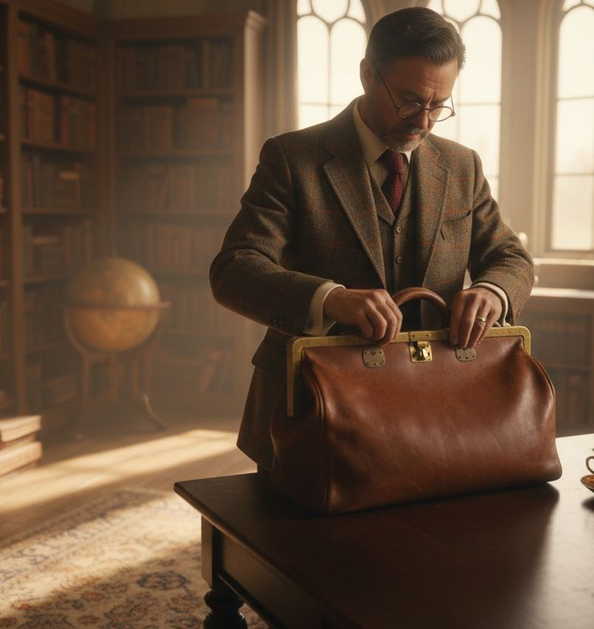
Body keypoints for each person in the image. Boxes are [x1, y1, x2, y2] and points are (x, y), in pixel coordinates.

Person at [209, 7, 534, 470]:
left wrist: (492, 291)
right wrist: (329, 299)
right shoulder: (290, 157)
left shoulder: (463, 166)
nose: (423, 121)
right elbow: (233, 269)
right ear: (367, 74)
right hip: (307, 416)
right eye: (409, 100)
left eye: (439, 105)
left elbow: (510, 256)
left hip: (436, 414)